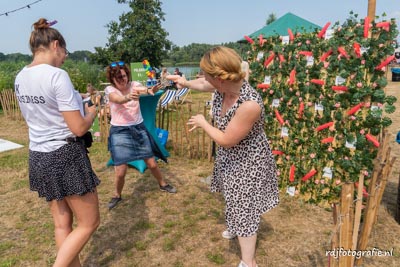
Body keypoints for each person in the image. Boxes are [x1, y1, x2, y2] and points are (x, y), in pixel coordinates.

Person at [168, 46, 279, 267]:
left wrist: (202, 122)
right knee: (231, 196)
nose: (202, 78)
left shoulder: (249, 104)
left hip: (248, 161)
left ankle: (249, 262)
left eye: (206, 74)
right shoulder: (223, 86)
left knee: (244, 208)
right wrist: (184, 82)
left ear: (219, 78)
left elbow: (227, 139)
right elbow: (201, 84)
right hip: (231, 157)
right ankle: (234, 226)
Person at [14, 18, 100, 267]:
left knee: (62, 224)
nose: (65, 57)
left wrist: (78, 99)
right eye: (65, 51)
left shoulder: (21, 76)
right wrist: (93, 111)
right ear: (55, 45)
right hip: (65, 155)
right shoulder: (57, 75)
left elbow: (46, 107)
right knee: (89, 222)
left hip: (39, 155)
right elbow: (78, 127)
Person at [105, 61, 177, 210]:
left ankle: (163, 184)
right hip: (120, 132)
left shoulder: (134, 85)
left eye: (124, 76)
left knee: (151, 163)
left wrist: (151, 90)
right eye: (119, 78)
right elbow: (117, 99)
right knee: (120, 171)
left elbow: (145, 90)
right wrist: (128, 97)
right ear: (113, 79)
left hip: (138, 128)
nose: (123, 80)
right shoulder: (110, 89)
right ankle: (117, 195)